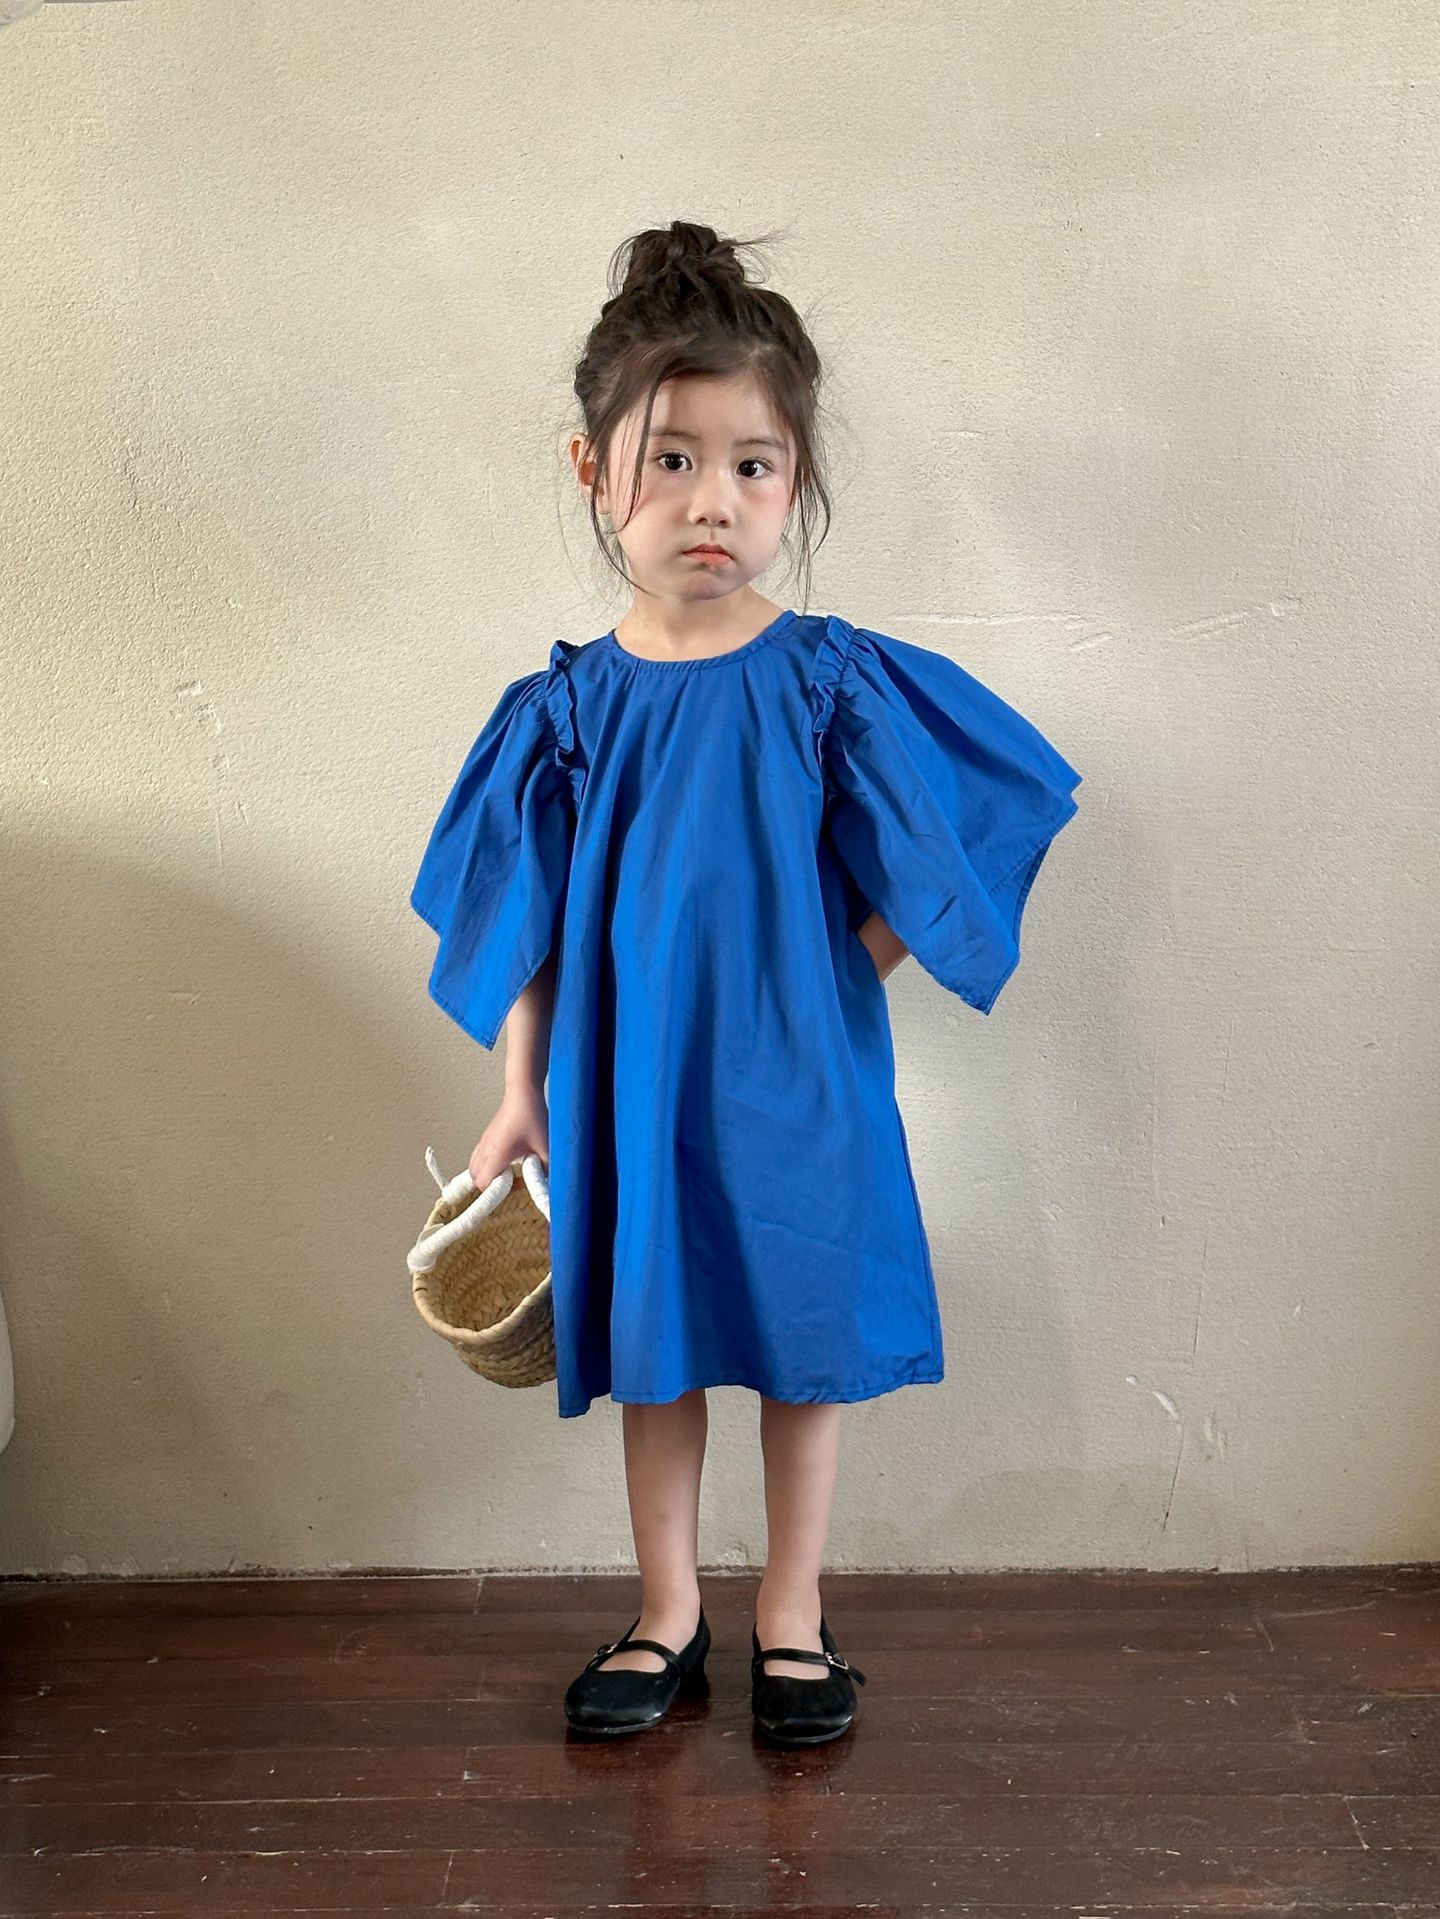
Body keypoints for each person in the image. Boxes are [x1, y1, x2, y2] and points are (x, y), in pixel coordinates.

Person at [410, 220, 1082, 1745]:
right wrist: (519, 1092)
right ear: (594, 473)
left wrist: (840, 969)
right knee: (655, 1346)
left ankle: (792, 1608)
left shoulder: (831, 679)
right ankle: (667, 1609)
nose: (712, 499)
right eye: (672, 460)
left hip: (798, 1079)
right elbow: (525, 919)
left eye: (753, 465)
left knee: (797, 1338)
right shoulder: (565, 709)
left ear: (795, 481)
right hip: (625, 1078)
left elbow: (966, 831)